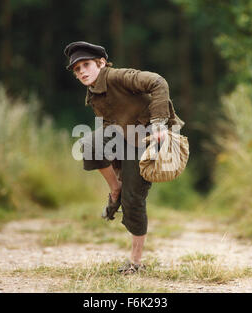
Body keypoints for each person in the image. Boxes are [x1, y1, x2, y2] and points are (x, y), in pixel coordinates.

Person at [64, 41, 184, 274]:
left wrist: (159, 123)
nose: (82, 72)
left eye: (86, 65)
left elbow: (158, 82)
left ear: (100, 63)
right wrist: (112, 156)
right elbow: (110, 122)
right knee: (88, 145)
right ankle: (115, 189)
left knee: (133, 201)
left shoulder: (119, 76)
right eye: (77, 69)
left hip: (147, 138)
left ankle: (136, 262)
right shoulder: (93, 93)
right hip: (122, 136)